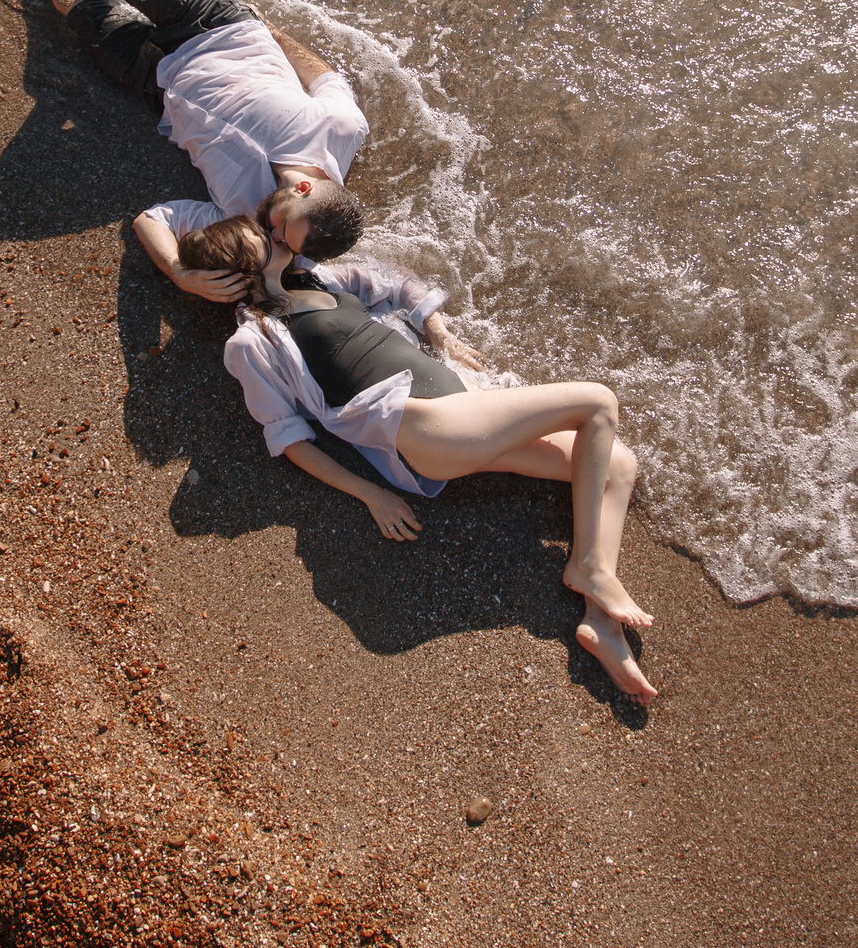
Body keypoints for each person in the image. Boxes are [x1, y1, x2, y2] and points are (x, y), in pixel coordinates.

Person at [155, 202, 659, 704]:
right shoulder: (252, 342)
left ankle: (600, 624)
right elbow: (288, 438)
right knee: (597, 402)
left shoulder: (317, 278)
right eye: (260, 238)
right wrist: (370, 494)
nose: (274, 233)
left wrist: (441, 333)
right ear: (238, 270)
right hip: (432, 431)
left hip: (467, 409)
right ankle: (587, 569)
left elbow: (397, 283)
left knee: (618, 465)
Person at [0, 0, 363, 301]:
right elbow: (324, 76)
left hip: (157, 83)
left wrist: (181, 273)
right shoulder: (341, 127)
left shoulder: (247, 218)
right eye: (282, 228)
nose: (273, 237)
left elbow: (155, 220)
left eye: (284, 242)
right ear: (303, 189)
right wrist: (272, 30)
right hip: (217, 26)